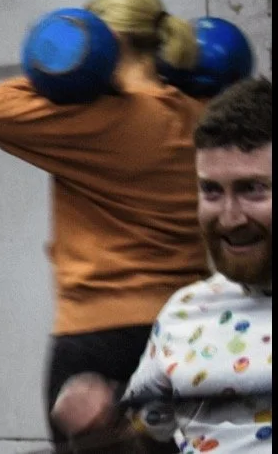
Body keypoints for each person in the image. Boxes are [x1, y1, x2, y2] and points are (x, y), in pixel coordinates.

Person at [0, 0, 210, 449]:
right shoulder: (200, 115)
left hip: (97, 340)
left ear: (108, 40)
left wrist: (70, 66)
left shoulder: (97, 119)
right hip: (188, 332)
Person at [51, 77, 272, 452]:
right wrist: (101, 432)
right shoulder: (185, 315)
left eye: (252, 189)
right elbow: (150, 439)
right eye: (212, 191)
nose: (230, 217)